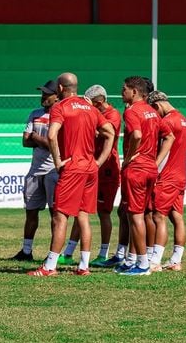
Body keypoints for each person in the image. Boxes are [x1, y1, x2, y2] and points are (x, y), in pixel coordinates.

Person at [28, 72, 114, 277]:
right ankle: (84, 266)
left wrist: (58, 161)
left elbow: (51, 134)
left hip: (73, 168)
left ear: (60, 88)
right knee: (83, 217)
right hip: (90, 169)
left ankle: (49, 267)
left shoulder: (61, 107)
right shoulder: (90, 109)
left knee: (60, 217)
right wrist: (99, 161)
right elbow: (110, 132)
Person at [115, 76, 173, 276]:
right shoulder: (153, 112)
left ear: (134, 91)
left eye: (124, 89)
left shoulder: (132, 111)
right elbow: (169, 137)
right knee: (139, 213)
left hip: (137, 169)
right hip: (149, 169)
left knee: (135, 215)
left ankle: (142, 264)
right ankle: (132, 259)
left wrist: (129, 157)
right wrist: (155, 162)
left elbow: (137, 136)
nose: (122, 92)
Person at [62, 84, 122, 267]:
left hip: (107, 170)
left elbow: (104, 133)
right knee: (80, 209)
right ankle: (68, 252)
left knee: (104, 213)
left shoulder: (113, 115)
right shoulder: (95, 112)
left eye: (92, 104)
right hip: (90, 168)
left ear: (100, 101)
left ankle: (103, 254)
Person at [11, 80, 58, 261]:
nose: (43, 97)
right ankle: (26, 251)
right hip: (35, 170)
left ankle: (52, 254)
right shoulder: (35, 114)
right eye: (42, 94)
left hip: (53, 170)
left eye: (47, 94)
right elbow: (25, 141)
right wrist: (43, 141)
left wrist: (37, 137)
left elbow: (54, 145)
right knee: (30, 212)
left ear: (56, 96)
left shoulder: (60, 116)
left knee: (55, 215)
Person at [147, 91, 186, 272]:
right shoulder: (183, 119)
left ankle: (155, 261)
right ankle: (175, 260)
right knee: (177, 217)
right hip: (181, 175)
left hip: (168, 176)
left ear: (157, 106)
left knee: (158, 216)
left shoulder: (167, 122)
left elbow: (166, 148)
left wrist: (154, 168)